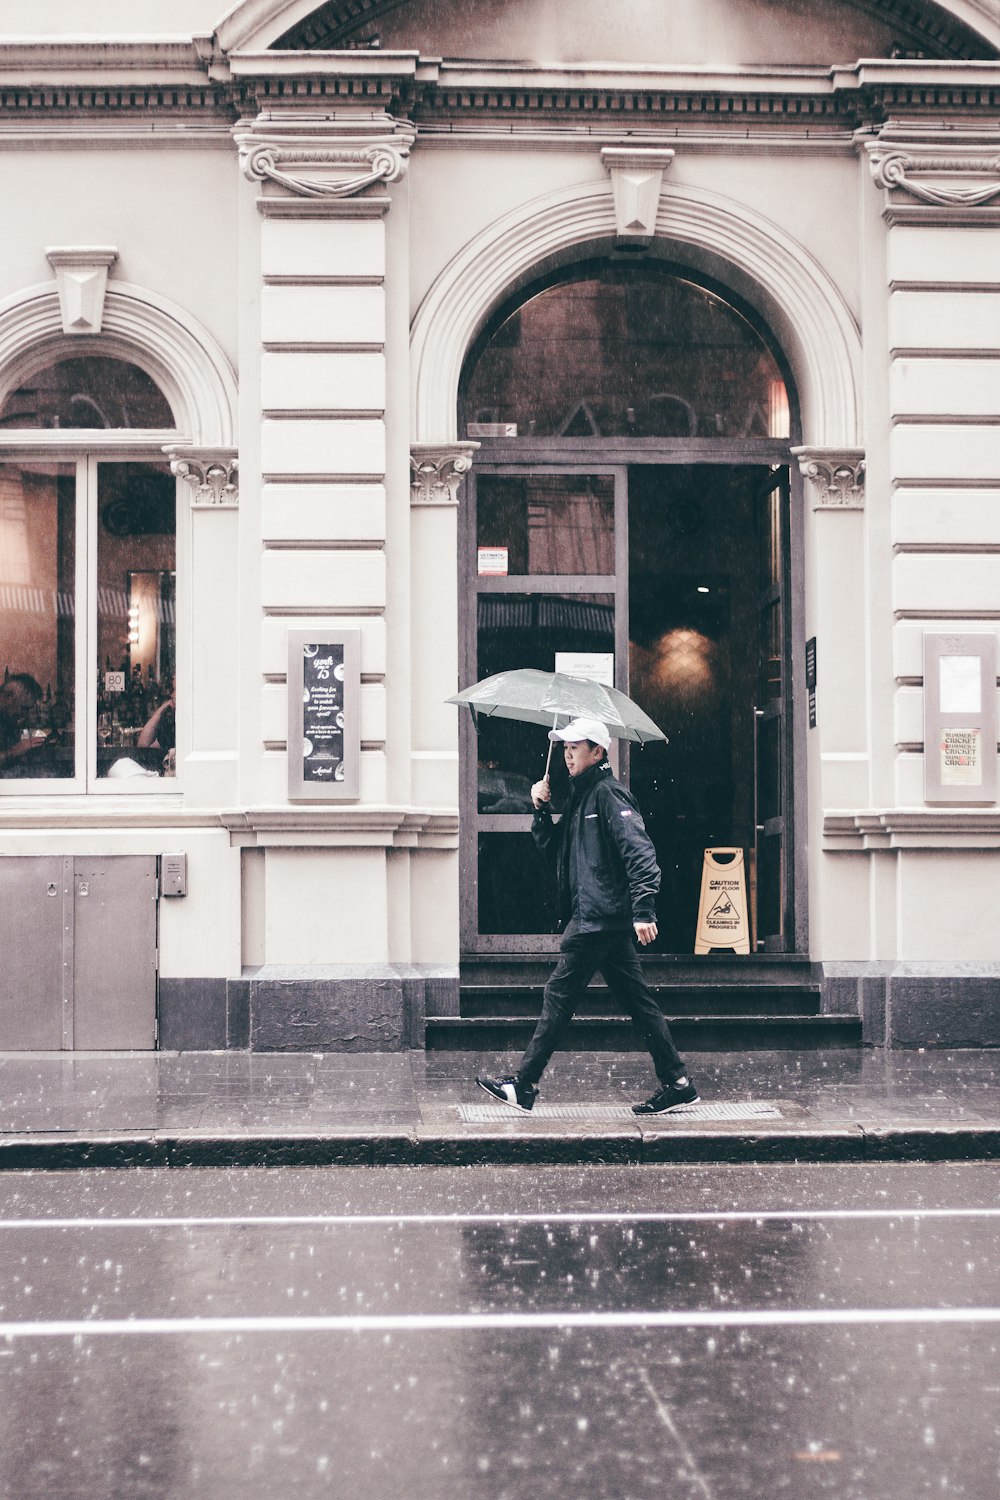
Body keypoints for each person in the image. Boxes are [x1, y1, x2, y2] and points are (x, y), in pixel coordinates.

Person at [476, 716, 699, 1115]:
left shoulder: (609, 796)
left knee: (558, 996)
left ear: (598, 752)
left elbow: (641, 854)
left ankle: (524, 1085)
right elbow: (555, 853)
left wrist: (645, 909)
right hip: (600, 919)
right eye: (564, 748)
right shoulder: (581, 797)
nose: (567, 755)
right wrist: (540, 810)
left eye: (575, 748)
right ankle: (678, 1082)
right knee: (639, 1002)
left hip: (597, 918)